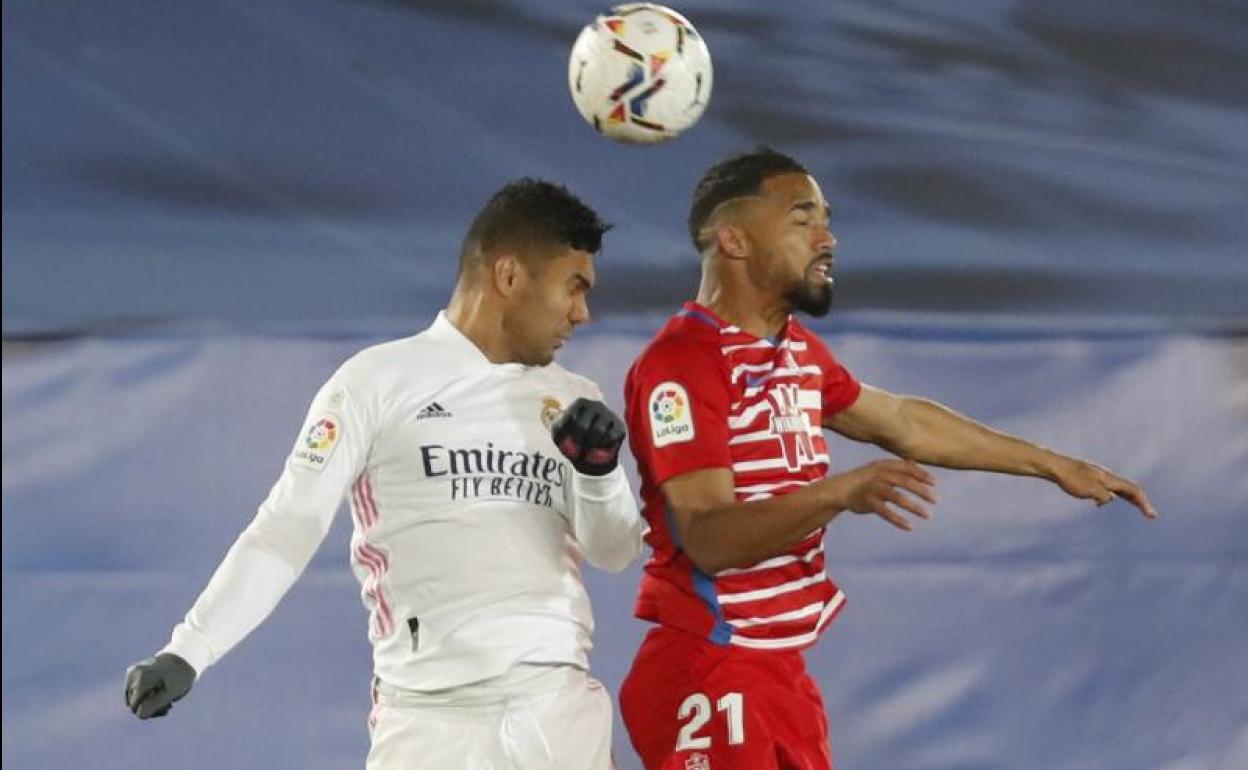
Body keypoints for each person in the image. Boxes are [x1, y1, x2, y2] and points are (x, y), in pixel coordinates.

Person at [617, 148, 1158, 770]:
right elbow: (708, 537)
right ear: (733, 238)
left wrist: (1051, 464)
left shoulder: (796, 353)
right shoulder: (682, 366)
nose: (828, 237)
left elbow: (902, 421)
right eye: (802, 219)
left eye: (826, 218)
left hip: (778, 674)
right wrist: (837, 494)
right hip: (709, 672)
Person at [124, 179, 645, 770]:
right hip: (428, 723)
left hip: (557, 712)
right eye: (573, 287)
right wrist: (188, 651)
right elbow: (286, 527)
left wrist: (599, 474)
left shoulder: (573, 397)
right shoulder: (374, 382)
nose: (583, 312)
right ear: (508, 276)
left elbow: (614, 551)